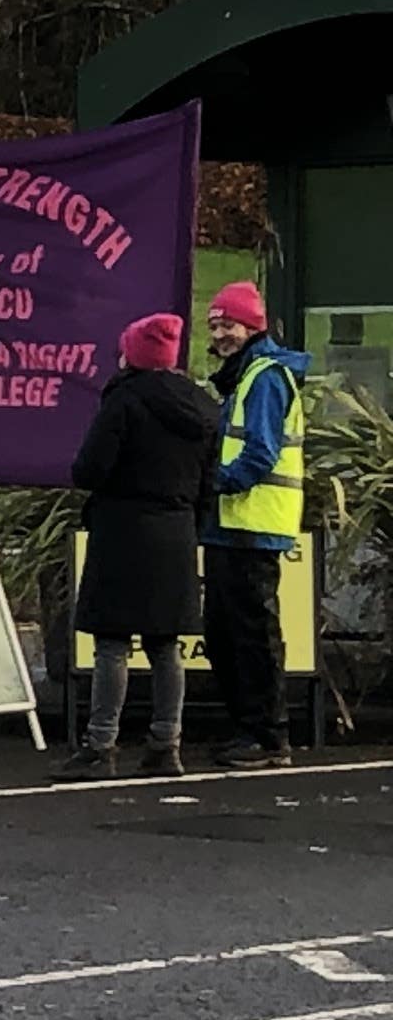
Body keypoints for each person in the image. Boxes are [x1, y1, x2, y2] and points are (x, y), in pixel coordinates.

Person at [60, 312, 219, 781]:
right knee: (165, 644)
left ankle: (100, 745)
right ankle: (166, 745)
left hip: (123, 529)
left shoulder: (123, 401)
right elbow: (210, 481)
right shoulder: (202, 408)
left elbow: (89, 470)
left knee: (112, 642)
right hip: (176, 530)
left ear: (133, 354)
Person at [200, 280, 308, 769]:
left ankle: (267, 737)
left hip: (250, 523)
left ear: (253, 326)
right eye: (216, 325)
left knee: (250, 634)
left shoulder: (263, 377)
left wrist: (218, 483)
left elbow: (259, 452)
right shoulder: (249, 374)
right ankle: (251, 729)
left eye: (230, 324)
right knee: (228, 633)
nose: (222, 334)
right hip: (236, 524)